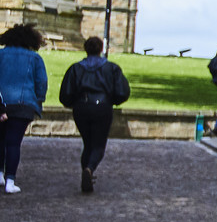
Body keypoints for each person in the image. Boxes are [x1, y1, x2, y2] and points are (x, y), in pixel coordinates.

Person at [60, 37, 130, 194]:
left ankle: (86, 172)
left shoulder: (76, 68)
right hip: (102, 107)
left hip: (82, 107)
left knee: (88, 143)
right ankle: (89, 169)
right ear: (100, 49)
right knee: (98, 145)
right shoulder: (111, 68)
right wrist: (113, 100)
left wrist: (72, 103)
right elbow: (122, 91)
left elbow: (66, 92)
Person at [0, 24, 43, 194]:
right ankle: (10, 180)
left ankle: (0, 173)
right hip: (23, 104)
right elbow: (41, 83)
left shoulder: (1, 55)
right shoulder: (34, 58)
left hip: (1, 102)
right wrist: (38, 101)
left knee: (1, 140)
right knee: (13, 142)